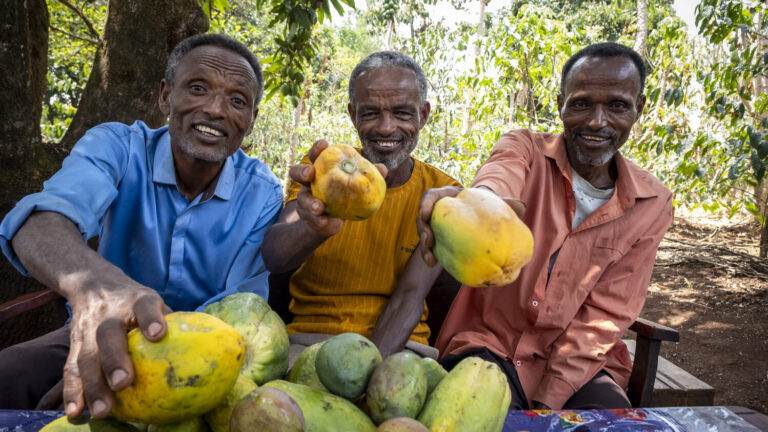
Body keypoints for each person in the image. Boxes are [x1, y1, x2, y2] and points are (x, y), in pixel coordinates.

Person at [0, 34, 282, 417]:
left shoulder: (262, 193)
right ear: (165, 95)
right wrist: (98, 287)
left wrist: (150, 351)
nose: (216, 110)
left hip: (209, 353)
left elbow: (240, 309)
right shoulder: (117, 147)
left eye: (237, 100)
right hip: (99, 330)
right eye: (198, 88)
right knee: (10, 374)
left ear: (250, 121)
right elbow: (40, 222)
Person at [417, 42, 673, 410]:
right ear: (560, 105)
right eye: (581, 103)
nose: (597, 121)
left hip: (579, 366)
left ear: (639, 109)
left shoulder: (652, 204)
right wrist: (480, 204)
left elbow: (604, 317)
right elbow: (498, 176)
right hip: (489, 345)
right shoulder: (524, 149)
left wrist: (547, 404)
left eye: (616, 105)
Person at [262, 51, 461, 361]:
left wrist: (366, 374)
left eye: (402, 113)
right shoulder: (322, 168)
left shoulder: (439, 193)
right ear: (353, 115)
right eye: (370, 113)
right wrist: (316, 225)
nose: (385, 127)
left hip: (402, 350)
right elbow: (275, 257)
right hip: (309, 343)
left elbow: (408, 299)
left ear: (423, 114)